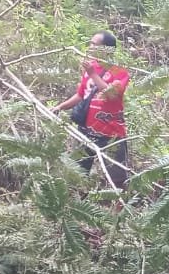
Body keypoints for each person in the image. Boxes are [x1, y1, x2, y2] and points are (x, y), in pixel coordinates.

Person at [53, 31, 130, 189]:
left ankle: (120, 207)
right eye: (91, 43)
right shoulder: (91, 67)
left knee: (118, 175)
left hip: (111, 133)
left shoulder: (119, 72)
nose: (90, 47)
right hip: (86, 130)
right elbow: (81, 95)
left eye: (95, 44)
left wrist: (93, 74)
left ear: (107, 49)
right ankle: (77, 203)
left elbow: (111, 94)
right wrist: (60, 107)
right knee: (79, 172)